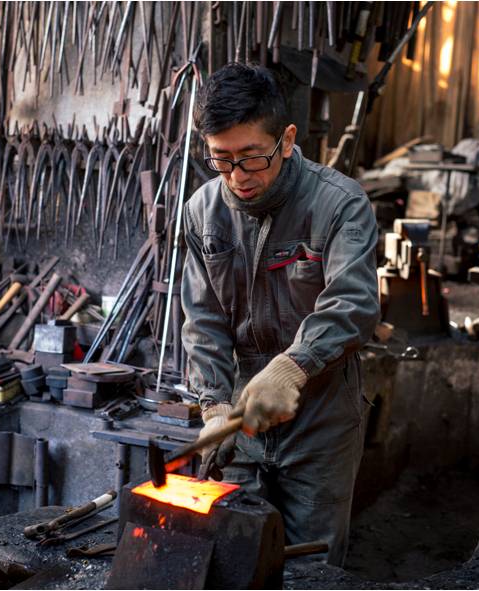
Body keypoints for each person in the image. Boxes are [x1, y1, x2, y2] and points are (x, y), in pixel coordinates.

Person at [180, 63, 380, 566]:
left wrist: (293, 367)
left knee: (311, 566)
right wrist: (213, 405)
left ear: (286, 140)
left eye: (252, 158)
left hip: (321, 420)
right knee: (235, 558)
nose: (238, 177)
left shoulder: (339, 204)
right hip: (241, 419)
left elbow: (353, 302)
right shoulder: (202, 212)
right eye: (221, 160)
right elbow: (203, 319)